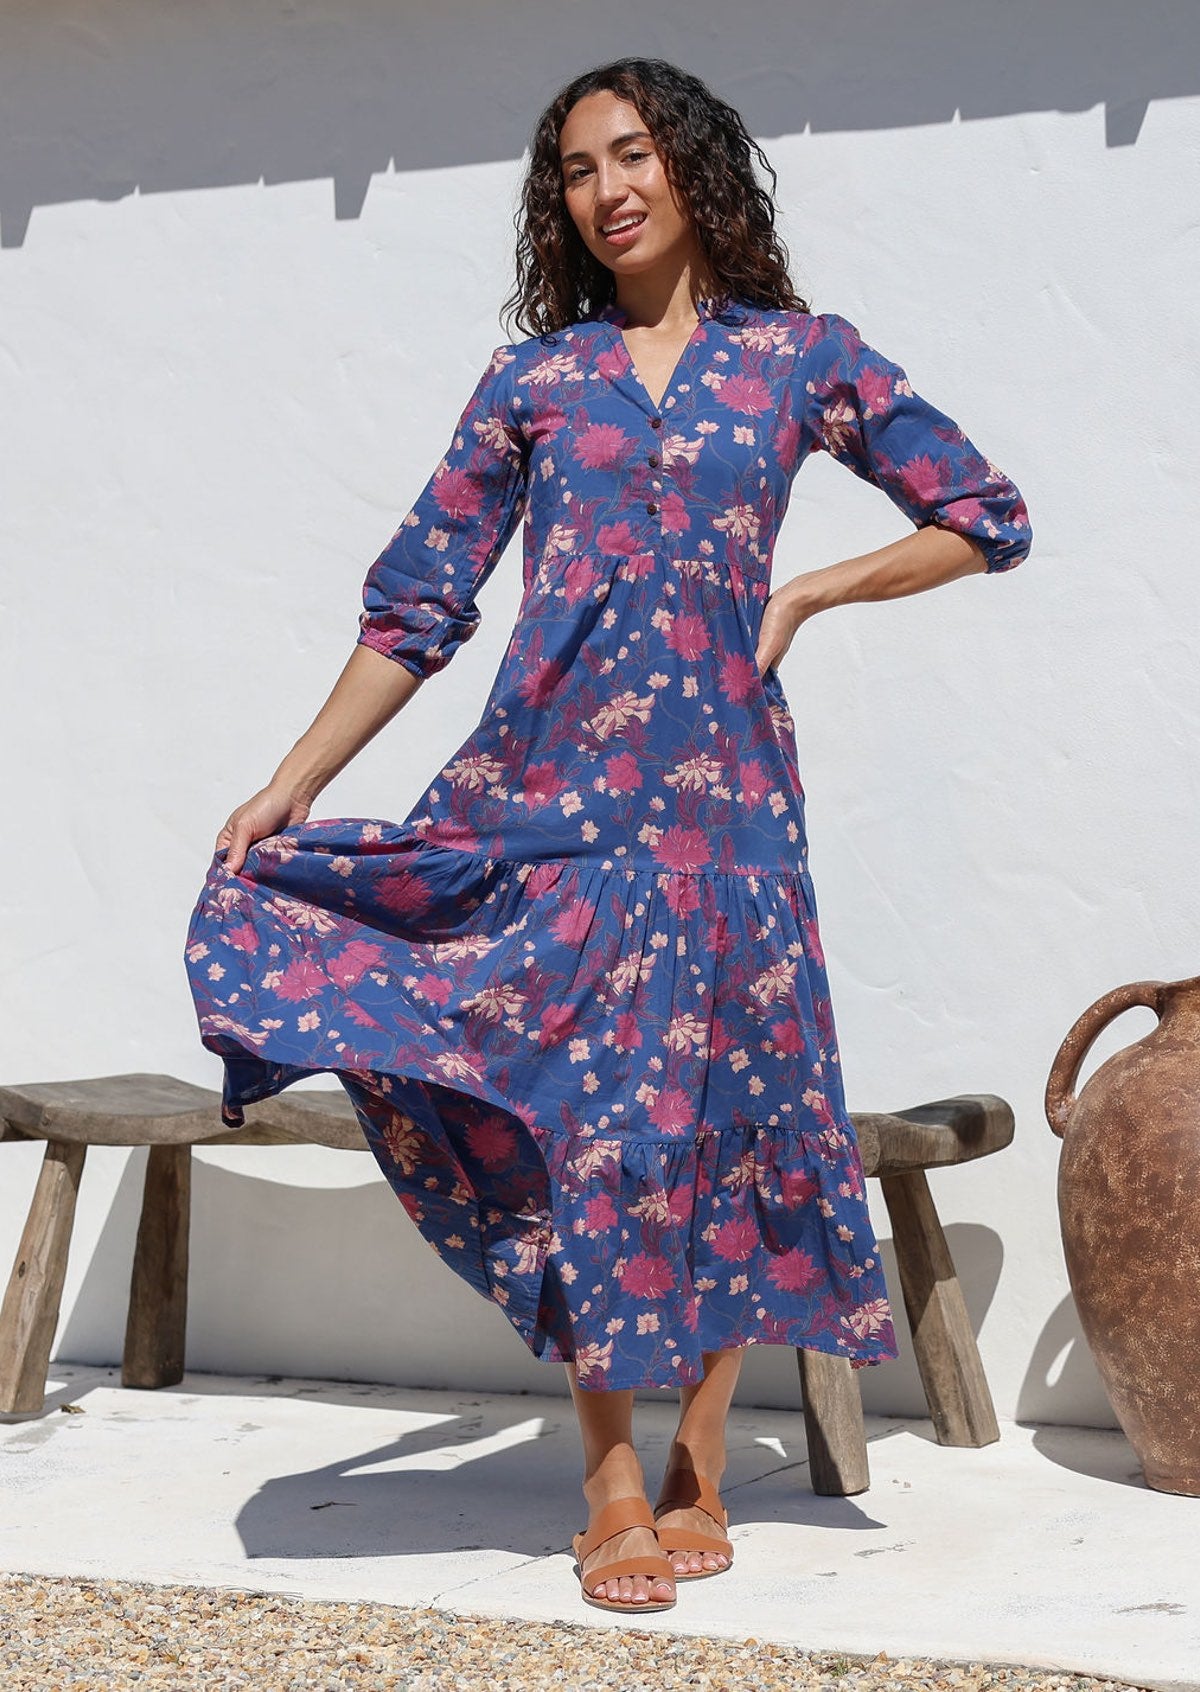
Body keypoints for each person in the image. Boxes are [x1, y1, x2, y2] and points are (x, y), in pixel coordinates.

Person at [185, 56, 1032, 1619]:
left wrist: (807, 592)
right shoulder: (538, 383)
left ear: (694, 169)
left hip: (726, 816)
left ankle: (706, 1461)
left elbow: (984, 513)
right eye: (577, 170)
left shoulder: (799, 361)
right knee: (600, 1130)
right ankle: (613, 1480)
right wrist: (295, 779)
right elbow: (420, 602)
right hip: (554, 806)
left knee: (717, 1118)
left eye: (631, 154)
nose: (606, 188)